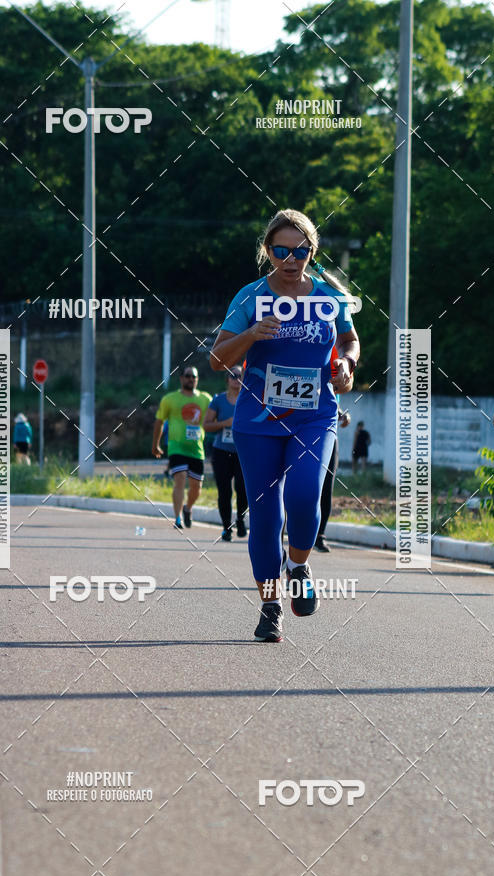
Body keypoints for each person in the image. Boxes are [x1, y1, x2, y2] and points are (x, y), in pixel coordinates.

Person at [210, 208, 360, 642]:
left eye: (300, 250)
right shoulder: (251, 297)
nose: (291, 259)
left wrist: (347, 364)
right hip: (258, 420)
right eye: (280, 250)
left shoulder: (329, 297)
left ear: (312, 251)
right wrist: (252, 334)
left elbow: (349, 338)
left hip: (316, 414)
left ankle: (298, 564)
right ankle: (271, 606)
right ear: (268, 250)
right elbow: (219, 358)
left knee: (304, 492)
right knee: (264, 515)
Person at [152, 366, 212, 529]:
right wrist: (155, 444)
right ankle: (177, 518)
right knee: (180, 479)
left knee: (196, 487)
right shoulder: (170, 399)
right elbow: (159, 421)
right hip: (176, 447)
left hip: (196, 449)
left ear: (197, 379)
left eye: (194, 377)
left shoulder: (206, 399)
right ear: (181, 378)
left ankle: (188, 508)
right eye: (187, 376)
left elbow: (212, 419)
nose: (190, 379)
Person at [203, 365, 248, 542]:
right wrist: (225, 423)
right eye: (232, 375)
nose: (236, 378)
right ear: (227, 380)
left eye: (239, 375)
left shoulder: (248, 399)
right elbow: (206, 425)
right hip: (221, 451)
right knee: (224, 491)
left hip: (243, 451)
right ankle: (226, 527)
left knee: (243, 489)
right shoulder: (218, 400)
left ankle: (241, 519)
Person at [315, 406, 350, 552]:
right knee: (307, 487)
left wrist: (343, 415)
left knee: (326, 488)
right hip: (305, 433)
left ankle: (320, 535)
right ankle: (297, 532)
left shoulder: (334, 385)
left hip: (330, 436)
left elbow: (340, 391)